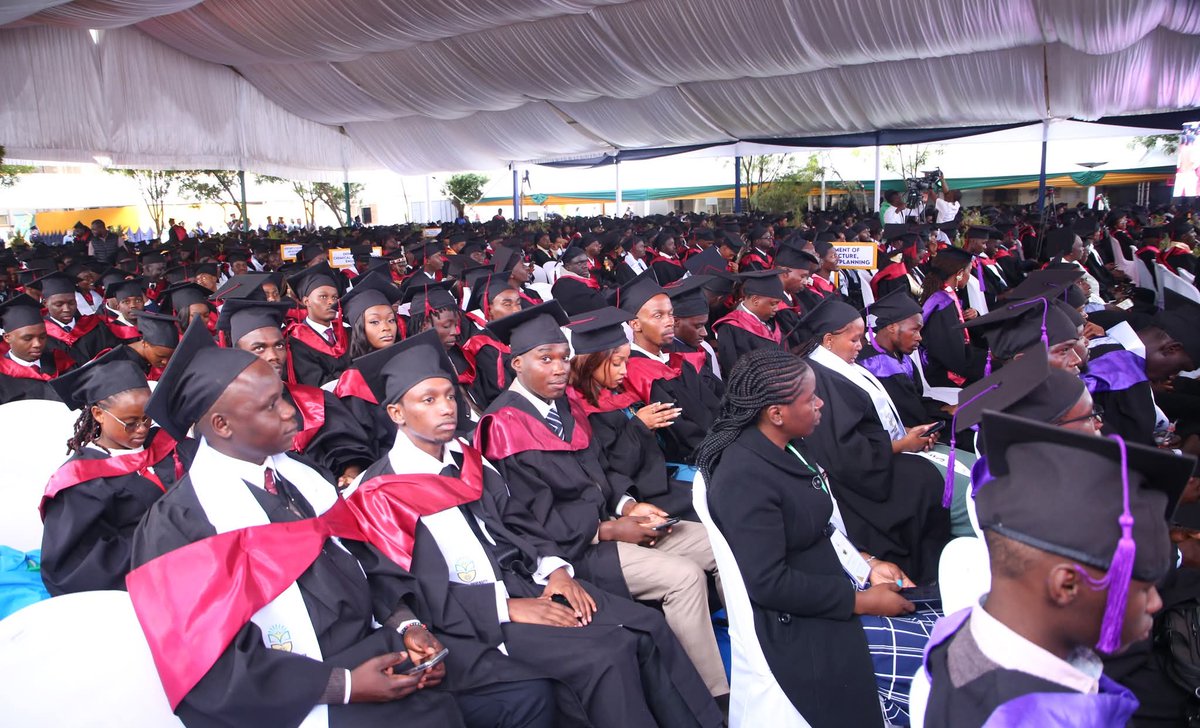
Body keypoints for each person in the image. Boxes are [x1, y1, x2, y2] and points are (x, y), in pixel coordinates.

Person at [131, 323, 556, 728]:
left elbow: (367, 561)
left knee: (527, 692)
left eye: (283, 396)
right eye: (271, 406)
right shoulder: (178, 525)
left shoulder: (300, 476)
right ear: (221, 425)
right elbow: (206, 667)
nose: (291, 414)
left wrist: (406, 624)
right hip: (303, 684)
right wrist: (344, 685)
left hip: (378, 646)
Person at [348, 329, 724, 728]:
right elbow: (396, 589)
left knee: (645, 627)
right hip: (468, 619)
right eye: (428, 400)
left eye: (449, 395)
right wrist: (504, 608)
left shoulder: (470, 461)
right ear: (396, 413)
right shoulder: (377, 492)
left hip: (528, 580)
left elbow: (519, 522)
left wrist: (556, 572)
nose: (447, 408)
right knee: (607, 653)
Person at [477, 302, 730, 701]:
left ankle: (758, 647)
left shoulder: (567, 405)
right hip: (574, 550)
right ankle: (714, 695)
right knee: (684, 578)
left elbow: (602, 471)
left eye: (563, 357)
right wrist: (607, 529)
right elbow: (529, 518)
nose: (559, 368)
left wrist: (630, 505)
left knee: (720, 544)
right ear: (517, 365)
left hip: (614, 521)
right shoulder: (503, 426)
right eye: (546, 359)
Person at [699, 347, 941, 726]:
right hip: (802, 622)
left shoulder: (789, 446)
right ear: (775, 413)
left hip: (836, 584)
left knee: (942, 621)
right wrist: (860, 603)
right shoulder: (742, 478)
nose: (821, 405)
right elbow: (769, 584)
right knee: (937, 661)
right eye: (810, 399)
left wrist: (869, 563)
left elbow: (820, 527)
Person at [922, 411, 1195, 728]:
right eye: (1145, 587)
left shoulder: (961, 633)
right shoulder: (1044, 720)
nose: (1156, 603)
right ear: (1066, 585)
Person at [801, 297, 951, 583]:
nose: (861, 346)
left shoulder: (844, 368)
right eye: (855, 340)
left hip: (878, 462)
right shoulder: (819, 379)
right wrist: (901, 445)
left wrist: (905, 432)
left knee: (929, 480)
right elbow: (844, 454)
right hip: (854, 487)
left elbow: (870, 424)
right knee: (927, 486)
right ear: (829, 340)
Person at [40, 349, 192, 596]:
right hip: (150, 579)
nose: (141, 429)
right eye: (130, 422)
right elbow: (73, 566)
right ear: (98, 414)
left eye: (147, 419)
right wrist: (165, 545)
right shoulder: (81, 481)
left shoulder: (168, 444)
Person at [220, 297, 375, 489]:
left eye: (279, 346)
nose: (274, 356)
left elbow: (350, 450)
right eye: (259, 348)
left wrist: (350, 473)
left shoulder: (317, 401)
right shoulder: (223, 416)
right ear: (238, 354)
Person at [857, 289, 949, 428]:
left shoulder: (900, 356)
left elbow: (915, 400)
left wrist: (945, 408)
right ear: (892, 327)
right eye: (914, 329)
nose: (919, 337)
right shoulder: (876, 365)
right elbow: (911, 417)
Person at [919, 245, 987, 387]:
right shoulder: (942, 305)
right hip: (942, 374)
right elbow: (954, 357)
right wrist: (989, 359)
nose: (970, 276)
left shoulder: (945, 295)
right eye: (969, 271)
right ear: (960, 273)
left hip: (949, 364)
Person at [285, 262, 350, 387]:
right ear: (306, 301)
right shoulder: (296, 342)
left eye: (335, 297)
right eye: (323, 297)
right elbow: (318, 383)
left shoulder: (347, 332)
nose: (331, 302)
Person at [712, 269, 786, 376]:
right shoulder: (730, 328)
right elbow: (734, 371)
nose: (777, 308)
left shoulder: (772, 322)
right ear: (756, 300)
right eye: (773, 303)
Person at [36, 271, 120, 364]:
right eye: (59, 304)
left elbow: (113, 353)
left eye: (71, 303)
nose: (66, 309)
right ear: (45, 304)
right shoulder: (42, 335)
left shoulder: (95, 325)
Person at [0, 294, 70, 403]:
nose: (37, 344)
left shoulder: (61, 361)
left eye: (42, 337)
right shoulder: (3, 376)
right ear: (7, 338)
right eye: (28, 338)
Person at [340, 270, 404, 359]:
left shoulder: (407, 363)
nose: (386, 327)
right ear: (359, 328)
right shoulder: (354, 373)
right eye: (374, 322)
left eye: (391, 320)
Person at [551, 247, 606, 315]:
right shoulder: (564, 285)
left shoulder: (582, 280)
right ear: (568, 266)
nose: (585, 266)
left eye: (585, 262)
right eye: (579, 263)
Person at [104, 277, 147, 342]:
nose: (133, 305)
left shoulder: (154, 326)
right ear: (118, 307)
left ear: (143, 303)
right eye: (126, 302)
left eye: (138, 300)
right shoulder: (109, 332)